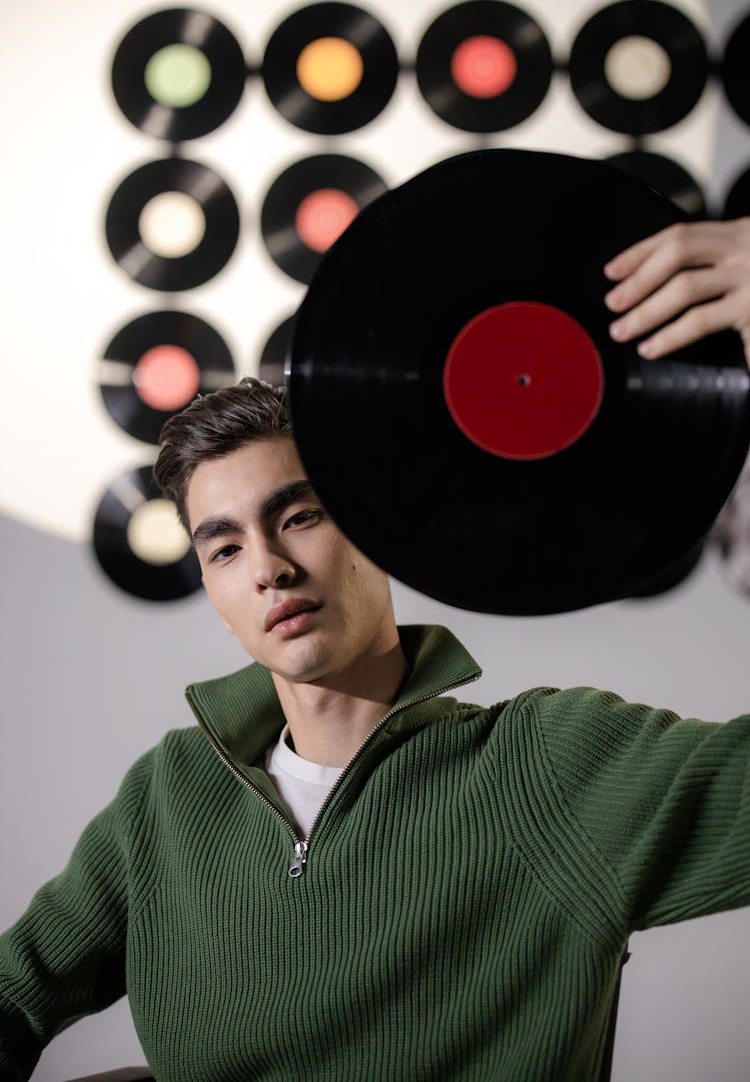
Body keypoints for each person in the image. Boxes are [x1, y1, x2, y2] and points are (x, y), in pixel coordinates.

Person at [0, 217, 749, 1082]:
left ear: (375, 526)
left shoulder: (548, 764)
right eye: (226, 547)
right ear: (211, 587)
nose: (271, 569)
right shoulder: (168, 798)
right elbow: (16, 994)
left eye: (300, 515)